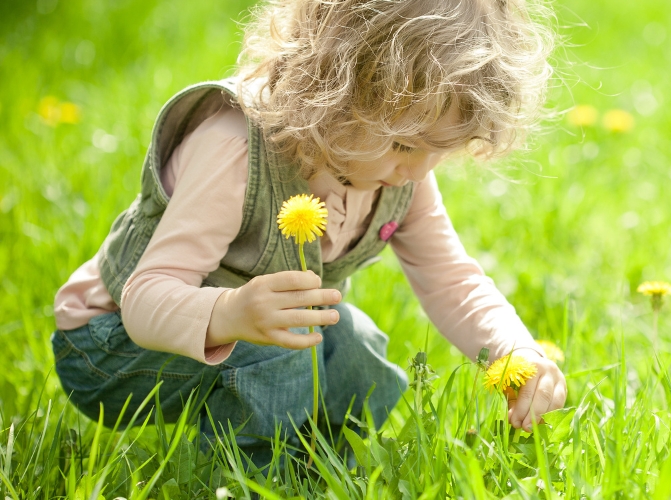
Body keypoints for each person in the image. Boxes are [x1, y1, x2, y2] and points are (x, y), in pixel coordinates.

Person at [51, 0, 566, 467]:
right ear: (337, 91)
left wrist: (514, 351)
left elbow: (451, 279)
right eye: (407, 144)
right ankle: (252, 476)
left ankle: (323, 459)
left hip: (239, 331)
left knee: (354, 342)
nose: (418, 170)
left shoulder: (401, 173)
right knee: (283, 344)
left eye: (442, 149)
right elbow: (144, 298)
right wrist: (230, 313)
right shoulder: (235, 146)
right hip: (109, 345)